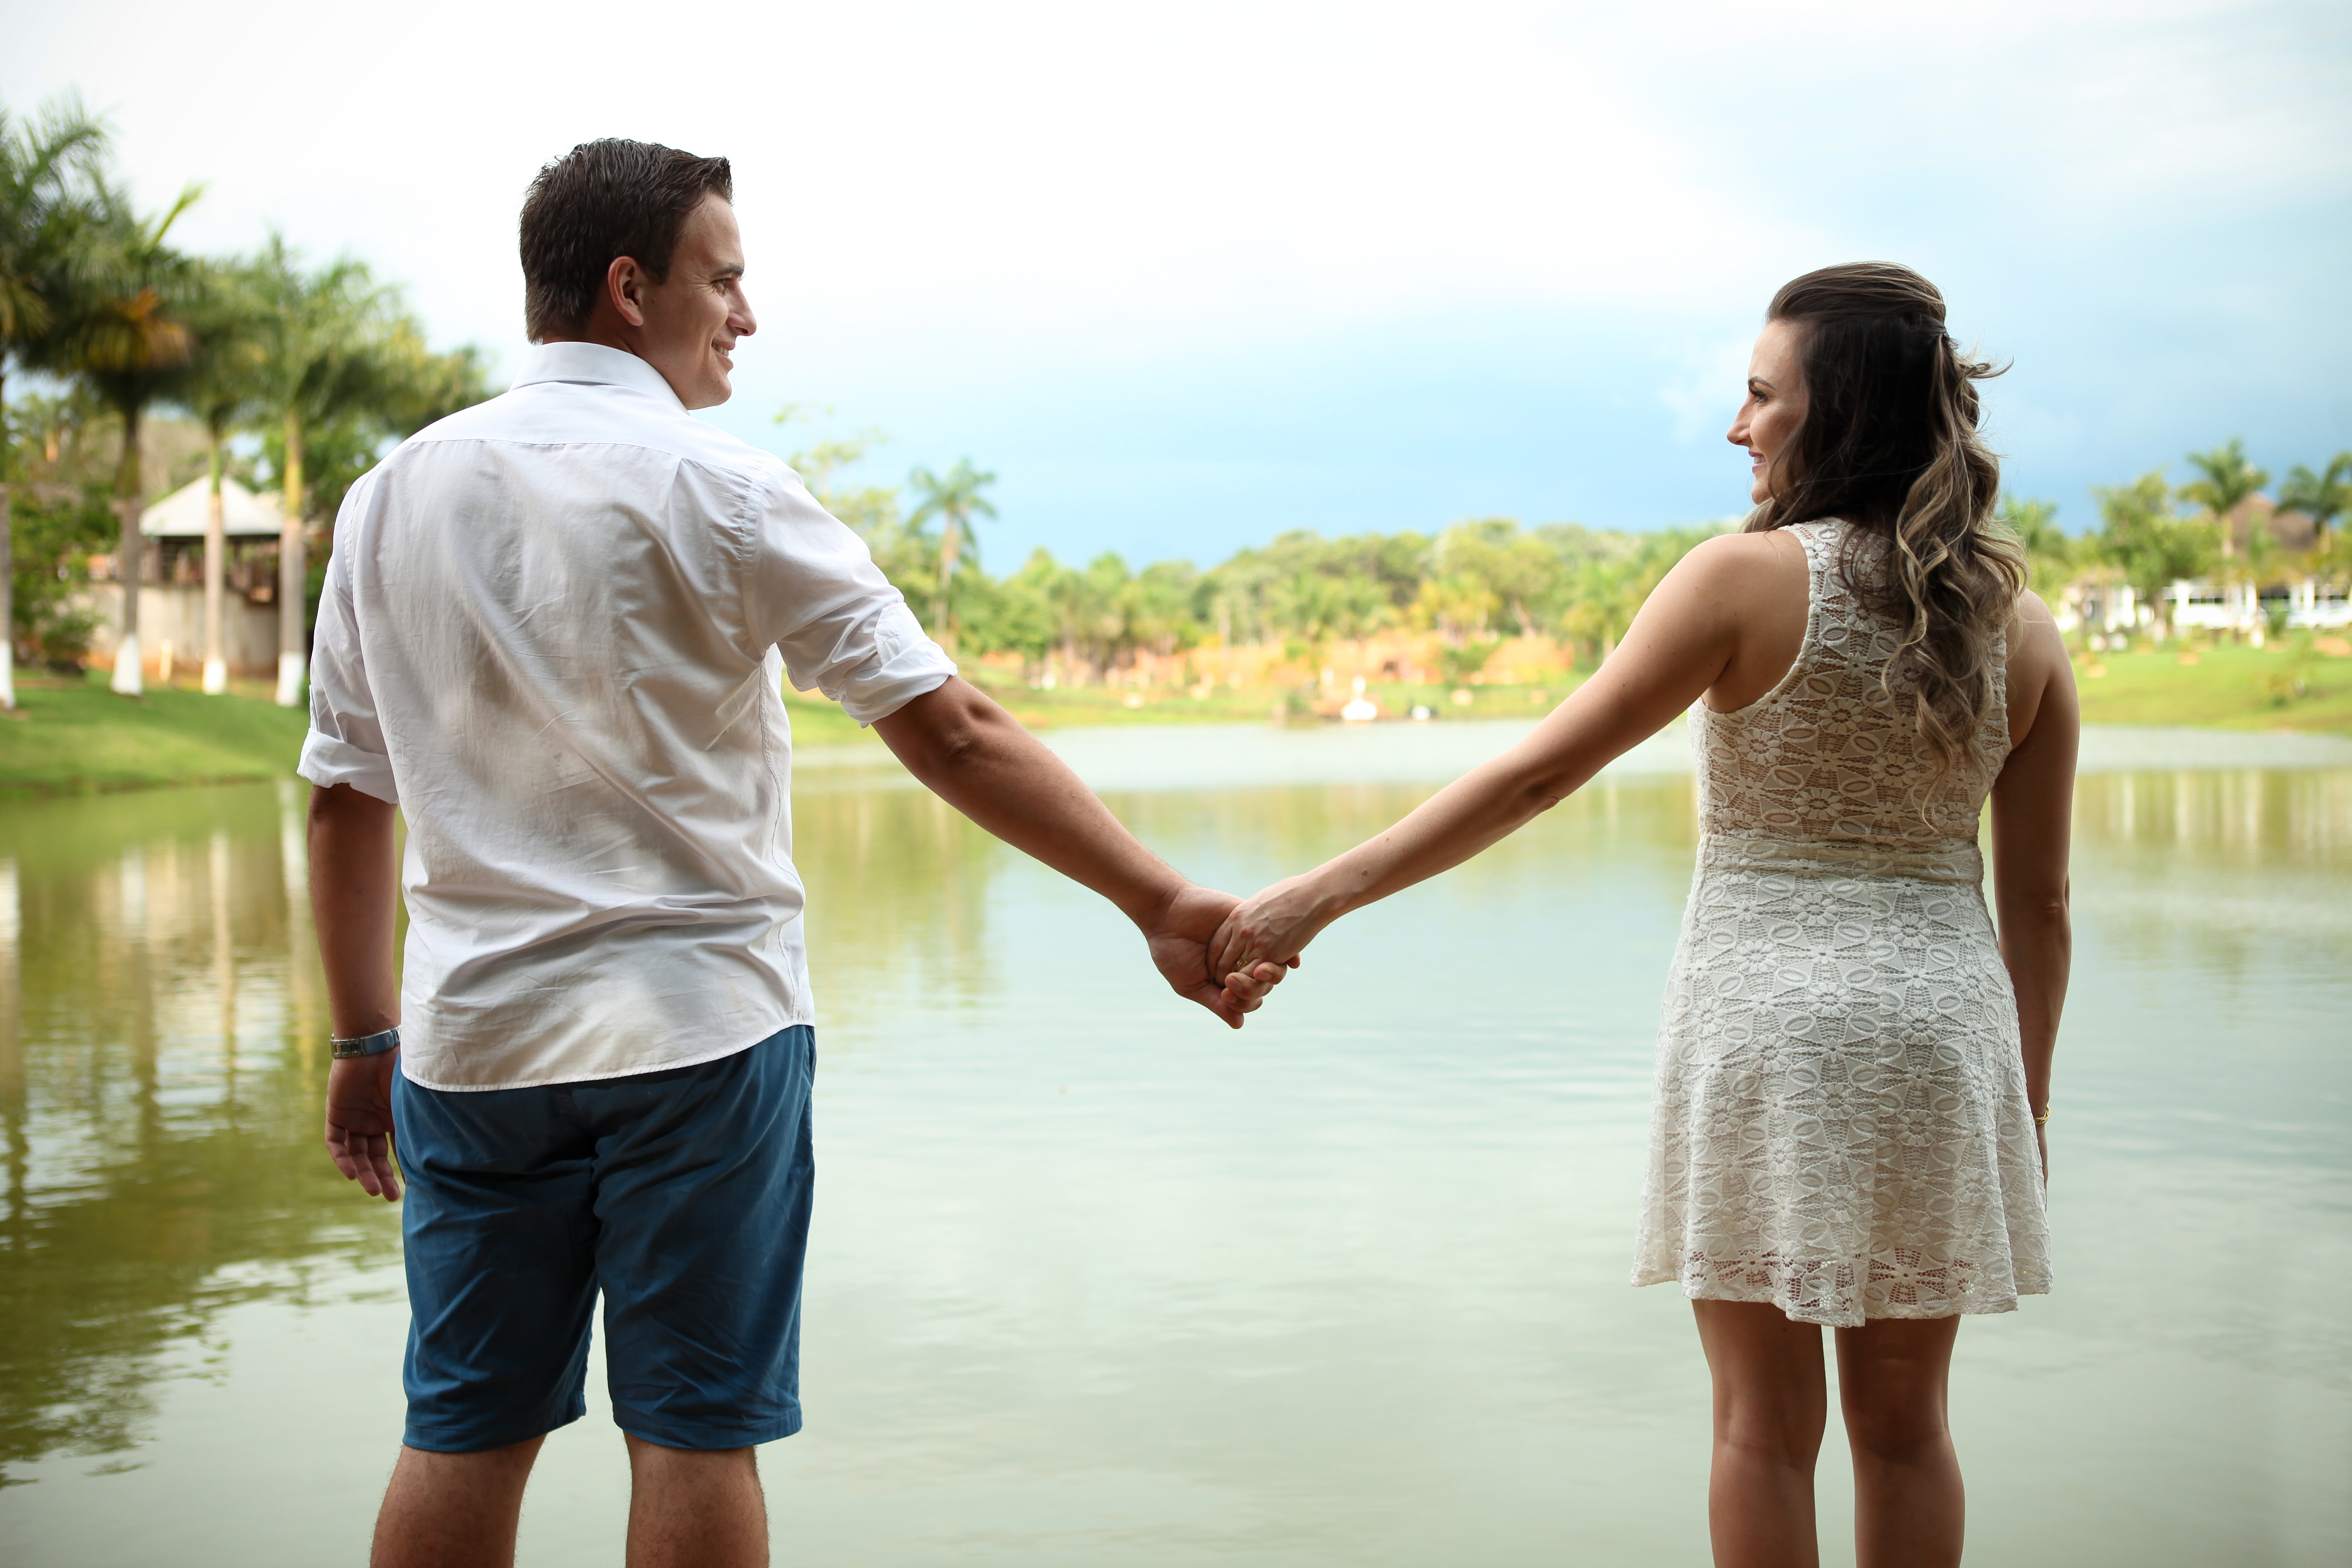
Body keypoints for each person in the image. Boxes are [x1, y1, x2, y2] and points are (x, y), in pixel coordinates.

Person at [301, 138, 1284, 1568]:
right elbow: (951, 729)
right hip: (699, 1042)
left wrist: (359, 1036)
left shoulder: (390, 493)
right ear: (632, 288)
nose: (747, 316)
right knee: (696, 1429)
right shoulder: (728, 490)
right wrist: (1161, 896)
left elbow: (345, 793)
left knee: (461, 1423)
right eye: (727, 278)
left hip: (472, 1055)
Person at [1208, 262, 2075, 1568]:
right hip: (1943, 1044)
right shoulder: (2025, 628)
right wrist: (2030, 1102)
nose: (1739, 427)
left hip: (1766, 1034)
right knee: (1907, 1429)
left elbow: (1540, 774)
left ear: (1830, 415)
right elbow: (2044, 906)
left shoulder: (1739, 581)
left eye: (1761, 397)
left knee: (1760, 1430)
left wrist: (1318, 894)